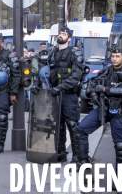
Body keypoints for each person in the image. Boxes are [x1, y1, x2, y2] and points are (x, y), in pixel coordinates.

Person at [77, 48, 122, 185]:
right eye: (113, 56)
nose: (114, 59)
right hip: (103, 108)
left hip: (118, 111)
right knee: (80, 130)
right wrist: (94, 96)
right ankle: (84, 165)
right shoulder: (107, 70)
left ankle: (120, 178)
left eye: (118, 56)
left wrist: (105, 90)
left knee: (120, 144)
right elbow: (92, 84)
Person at [32, 26, 85, 162]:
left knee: (72, 125)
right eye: (60, 33)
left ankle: (77, 156)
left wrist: (61, 87)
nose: (61, 35)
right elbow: (45, 69)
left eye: (64, 34)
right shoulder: (53, 52)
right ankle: (60, 153)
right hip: (54, 94)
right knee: (58, 125)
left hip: (68, 95)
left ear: (69, 38)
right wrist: (37, 84)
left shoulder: (75, 53)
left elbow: (75, 76)